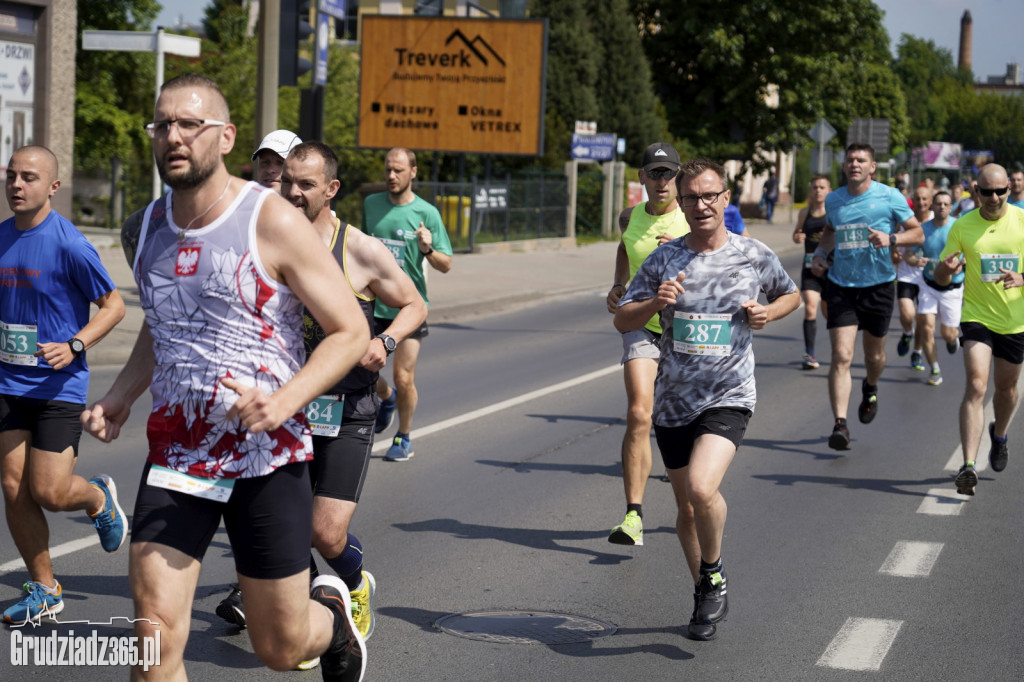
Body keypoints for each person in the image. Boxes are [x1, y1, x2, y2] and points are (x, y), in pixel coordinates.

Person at [82, 73, 370, 680]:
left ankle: (333, 622)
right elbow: (165, 323)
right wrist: (119, 395)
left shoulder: (270, 219)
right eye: (162, 125)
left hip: (266, 455)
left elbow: (350, 330)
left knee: (281, 646)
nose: (173, 137)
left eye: (190, 124)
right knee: (153, 641)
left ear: (226, 136)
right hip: (179, 453)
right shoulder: (147, 228)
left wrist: (283, 400)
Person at [615, 158, 799, 641]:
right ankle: (704, 592)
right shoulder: (665, 258)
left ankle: (713, 574)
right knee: (685, 511)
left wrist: (767, 313)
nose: (701, 205)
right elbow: (623, 319)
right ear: (682, 200)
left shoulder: (752, 253)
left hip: (728, 393)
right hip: (673, 399)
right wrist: (656, 302)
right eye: (692, 197)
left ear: (725, 198)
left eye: (710, 195)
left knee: (701, 488)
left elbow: (791, 294)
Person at [286, 141, 426, 636]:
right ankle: (303, 622)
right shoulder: (269, 244)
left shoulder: (360, 248)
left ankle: (354, 581)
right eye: (288, 182)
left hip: (348, 408)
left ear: (331, 189)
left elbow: (414, 305)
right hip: (288, 410)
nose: (294, 192)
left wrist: (385, 340)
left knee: (325, 531)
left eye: (306, 184)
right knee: (286, 526)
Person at [0, 145, 127, 625]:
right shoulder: (0, 238)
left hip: (58, 386)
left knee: (50, 492)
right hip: (8, 381)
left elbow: (114, 306)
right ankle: (46, 588)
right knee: (14, 487)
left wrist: (75, 344)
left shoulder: (70, 244)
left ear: (53, 186)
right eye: (12, 175)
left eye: (28, 177)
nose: (16, 184)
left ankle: (96, 497)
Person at [810, 143, 923, 451]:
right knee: (842, 355)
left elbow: (918, 233)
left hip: (879, 285)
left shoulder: (890, 197)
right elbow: (830, 231)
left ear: (873, 166)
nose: (854, 164)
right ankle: (840, 424)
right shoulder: (834, 199)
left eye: (861, 160)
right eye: (850, 160)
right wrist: (820, 253)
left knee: (874, 357)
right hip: (841, 285)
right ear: (844, 166)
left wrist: (892, 238)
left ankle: (870, 385)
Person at [605, 142, 688, 547]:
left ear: (678, 177)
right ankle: (633, 516)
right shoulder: (630, 217)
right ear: (641, 177)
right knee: (639, 412)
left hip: (687, 332)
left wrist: (678, 255)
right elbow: (625, 248)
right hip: (642, 321)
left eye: (668, 174)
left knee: (681, 422)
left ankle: (691, 501)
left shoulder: (693, 219)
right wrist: (619, 285)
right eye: (654, 173)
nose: (661, 181)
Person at [934, 163, 1024, 496]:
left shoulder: (1022, 222)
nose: (995, 197)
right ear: (976, 191)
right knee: (976, 383)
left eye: (1002, 191)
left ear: (1010, 191)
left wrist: (1022, 278)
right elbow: (942, 278)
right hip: (976, 317)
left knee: (1007, 390)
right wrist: (944, 270)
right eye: (987, 191)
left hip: (1015, 321)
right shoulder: (962, 226)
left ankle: (999, 435)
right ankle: (968, 465)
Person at [365, 148, 453, 462]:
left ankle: (403, 437)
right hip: (373, 304)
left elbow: (446, 264)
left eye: (398, 170)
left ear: (413, 172)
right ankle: (386, 399)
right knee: (363, 370)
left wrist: (428, 250)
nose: (391, 176)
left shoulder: (427, 213)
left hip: (409, 308)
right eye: (388, 169)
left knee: (404, 377)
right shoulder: (371, 205)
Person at [904, 189, 961, 387]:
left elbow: (970, 254)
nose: (942, 207)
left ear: (951, 207)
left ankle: (953, 339)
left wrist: (961, 265)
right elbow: (908, 255)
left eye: (946, 204)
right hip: (928, 285)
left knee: (948, 334)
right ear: (932, 206)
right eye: (939, 204)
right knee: (926, 328)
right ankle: (934, 368)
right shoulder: (923, 229)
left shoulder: (958, 227)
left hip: (952, 288)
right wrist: (914, 261)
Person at [791, 174, 831, 369]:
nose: (818, 190)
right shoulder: (804, 212)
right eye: (815, 187)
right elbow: (796, 233)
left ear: (828, 191)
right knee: (810, 307)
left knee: (829, 313)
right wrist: (798, 237)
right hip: (809, 267)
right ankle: (810, 354)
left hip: (831, 268)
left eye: (822, 187)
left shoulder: (833, 213)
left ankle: (839, 350)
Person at [894, 185, 934, 371]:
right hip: (906, 274)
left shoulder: (936, 221)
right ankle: (907, 332)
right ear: (913, 201)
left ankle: (917, 352)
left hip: (928, 277)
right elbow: (894, 241)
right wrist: (894, 253)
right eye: (918, 199)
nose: (921, 203)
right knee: (907, 313)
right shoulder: (905, 220)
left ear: (930, 201)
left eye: (925, 199)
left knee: (921, 319)